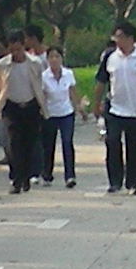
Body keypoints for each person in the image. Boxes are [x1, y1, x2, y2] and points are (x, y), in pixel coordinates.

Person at [99, 19, 136, 194]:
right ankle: (115, 181)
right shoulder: (110, 57)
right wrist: (97, 103)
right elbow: (101, 81)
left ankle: (133, 182)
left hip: (135, 110)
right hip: (114, 108)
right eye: (115, 37)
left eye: (120, 37)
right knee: (112, 142)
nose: (117, 41)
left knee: (134, 147)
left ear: (131, 38)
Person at [0, 28, 45, 196]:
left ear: (24, 46)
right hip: (12, 107)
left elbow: (40, 84)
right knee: (14, 144)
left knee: (29, 143)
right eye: (12, 50)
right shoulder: (2, 65)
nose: (15, 53)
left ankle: (26, 176)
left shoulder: (35, 63)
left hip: (31, 106)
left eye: (18, 49)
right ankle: (16, 179)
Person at [36, 41, 83, 187]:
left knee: (67, 143)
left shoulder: (68, 74)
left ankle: (70, 176)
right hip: (50, 114)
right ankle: (47, 174)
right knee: (48, 145)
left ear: (62, 58)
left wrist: (79, 108)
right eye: (51, 57)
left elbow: (72, 92)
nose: (54, 60)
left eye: (57, 56)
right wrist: (42, 112)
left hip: (66, 113)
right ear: (47, 59)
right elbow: (42, 96)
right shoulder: (44, 77)